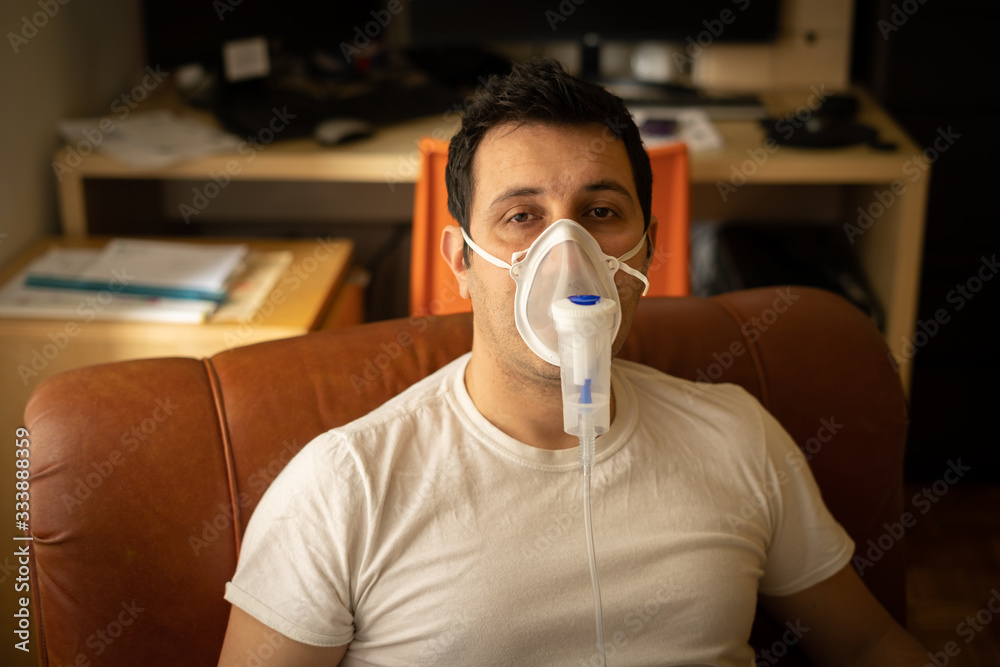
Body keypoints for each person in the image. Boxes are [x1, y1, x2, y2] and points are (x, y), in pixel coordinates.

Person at [218, 59, 928, 666]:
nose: (568, 257)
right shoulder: (344, 489)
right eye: (522, 216)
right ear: (462, 262)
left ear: (645, 250)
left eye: (600, 212)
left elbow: (866, 647)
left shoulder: (737, 435)